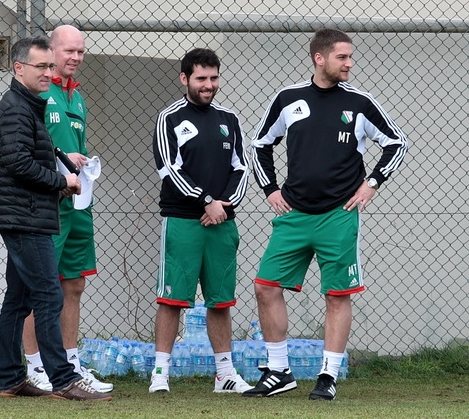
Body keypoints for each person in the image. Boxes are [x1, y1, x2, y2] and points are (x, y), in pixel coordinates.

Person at [242, 28, 408, 401]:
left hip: (339, 214)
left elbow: (396, 143)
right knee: (265, 287)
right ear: (320, 58)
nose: (349, 63)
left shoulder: (361, 103)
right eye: (342, 57)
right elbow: (260, 145)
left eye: (350, 57)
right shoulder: (288, 99)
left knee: (337, 295)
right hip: (294, 213)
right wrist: (270, 188)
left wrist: (371, 184)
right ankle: (279, 372)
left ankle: (328, 376)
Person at [0, 35, 111, 401]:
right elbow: (19, 163)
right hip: (24, 216)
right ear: (18, 68)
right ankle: (64, 379)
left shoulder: (29, 105)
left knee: (19, 299)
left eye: (49, 67)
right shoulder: (15, 109)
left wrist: (63, 175)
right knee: (49, 294)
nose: (47, 73)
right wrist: (61, 181)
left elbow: (30, 155)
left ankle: (10, 378)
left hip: (29, 212)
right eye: (41, 66)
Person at [150, 48, 252, 394]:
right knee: (172, 300)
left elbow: (242, 167)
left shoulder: (230, 119)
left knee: (220, 300)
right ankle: (160, 374)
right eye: (201, 79)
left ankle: (224, 375)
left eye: (213, 78)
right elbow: (168, 168)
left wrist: (223, 204)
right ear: (184, 79)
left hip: (222, 222)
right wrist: (206, 201)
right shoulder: (170, 118)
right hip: (183, 221)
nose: (208, 85)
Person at [20, 25, 113, 394]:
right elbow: (25, 150)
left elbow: (72, 147)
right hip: (47, 205)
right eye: (68, 51)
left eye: (80, 52)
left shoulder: (78, 97)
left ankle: (70, 365)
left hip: (77, 203)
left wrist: (81, 164)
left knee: (73, 283)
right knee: (38, 287)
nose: (75, 58)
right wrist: (59, 162)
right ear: (51, 50)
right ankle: (36, 366)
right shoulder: (38, 93)